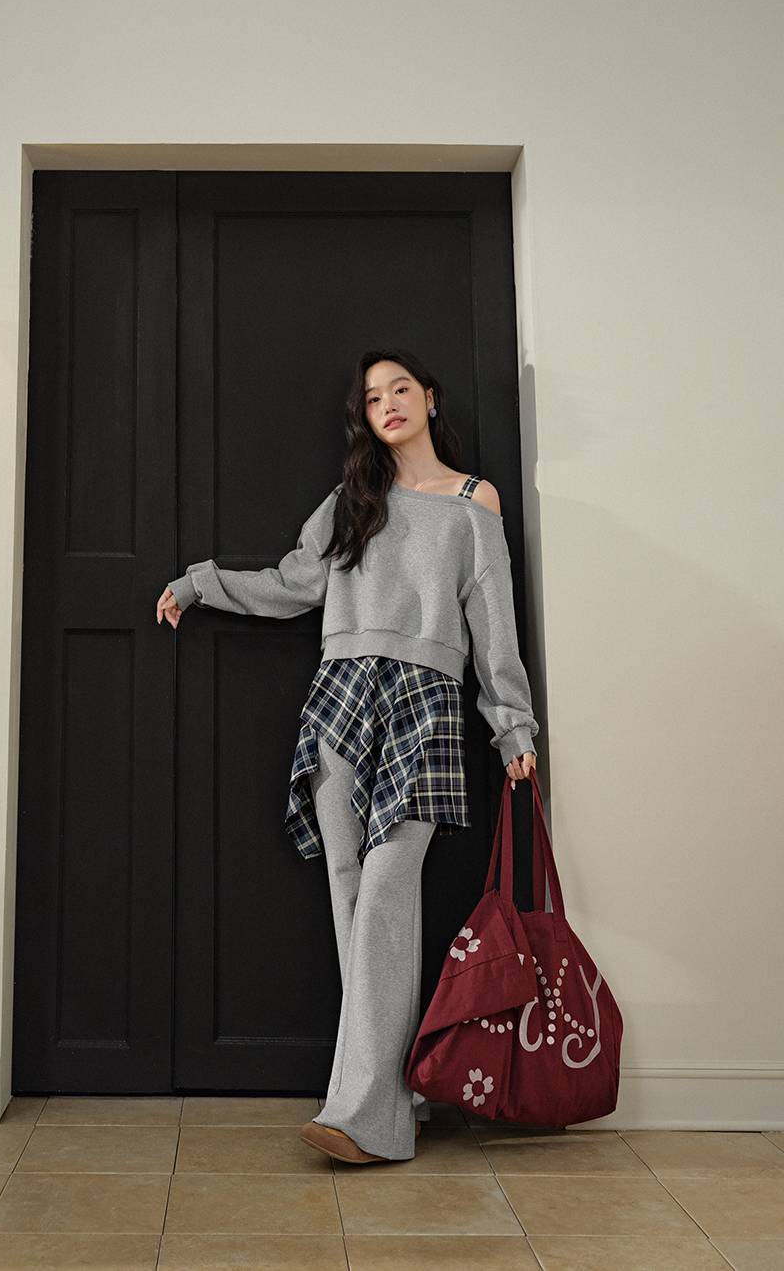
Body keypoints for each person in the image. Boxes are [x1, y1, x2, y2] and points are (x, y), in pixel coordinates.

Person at [156, 349, 538, 1164]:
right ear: (363, 416)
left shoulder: (473, 502)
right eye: (372, 397)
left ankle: (361, 1115)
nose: (388, 403)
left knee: (389, 893)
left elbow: (492, 620)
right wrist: (201, 583)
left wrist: (512, 726)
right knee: (351, 899)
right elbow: (293, 584)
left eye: (401, 389)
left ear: (429, 398)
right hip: (340, 694)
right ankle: (392, 1102)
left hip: (425, 702)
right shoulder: (351, 501)